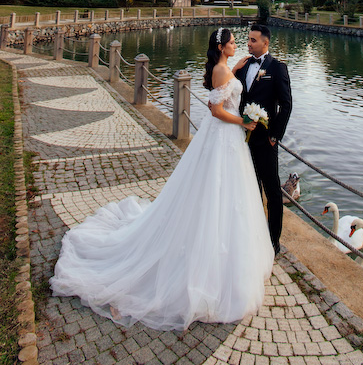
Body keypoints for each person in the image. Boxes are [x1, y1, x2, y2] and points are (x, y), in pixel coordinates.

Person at [50, 28, 274, 332]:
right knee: (217, 193)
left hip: (226, 142)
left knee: (223, 195)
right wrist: (244, 121)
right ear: (222, 47)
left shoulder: (224, 69)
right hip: (224, 136)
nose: (238, 46)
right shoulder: (221, 71)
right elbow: (217, 110)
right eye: (233, 43)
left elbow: (221, 88)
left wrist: (234, 72)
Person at [233, 24, 292, 254]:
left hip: (265, 140)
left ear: (265, 43)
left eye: (253, 40)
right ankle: (253, 234)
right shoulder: (244, 64)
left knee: (272, 190)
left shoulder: (277, 68)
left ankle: (273, 240)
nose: (249, 43)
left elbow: (286, 105)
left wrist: (275, 136)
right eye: (248, 39)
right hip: (241, 138)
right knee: (250, 186)